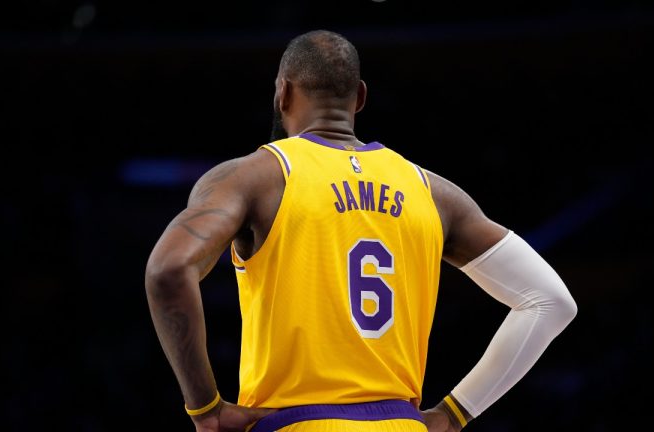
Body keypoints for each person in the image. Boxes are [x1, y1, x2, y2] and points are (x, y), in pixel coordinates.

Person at [145, 29, 577, 432]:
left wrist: (207, 408)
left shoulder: (254, 177)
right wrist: (454, 413)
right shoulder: (434, 192)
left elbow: (168, 270)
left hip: (295, 421)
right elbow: (551, 302)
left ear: (283, 92)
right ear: (361, 98)